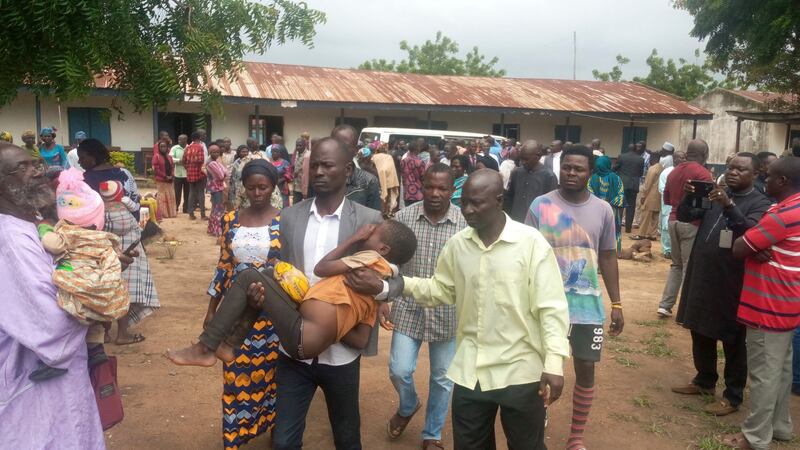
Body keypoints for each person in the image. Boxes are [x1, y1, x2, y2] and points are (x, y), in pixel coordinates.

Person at [404, 169, 570, 450]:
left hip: (521, 372)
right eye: (463, 201)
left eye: (476, 203)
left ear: (499, 200)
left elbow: (551, 308)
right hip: (472, 373)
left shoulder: (531, 244)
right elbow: (442, 290)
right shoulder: (458, 245)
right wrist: (397, 284)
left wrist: (554, 363)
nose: (467, 210)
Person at [252, 137, 400, 449]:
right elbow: (284, 272)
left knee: (347, 437)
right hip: (295, 349)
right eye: (313, 165)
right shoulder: (290, 216)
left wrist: (382, 289)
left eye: (327, 165)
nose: (318, 171)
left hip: (343, 354)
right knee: (284, 441)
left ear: (347, 170)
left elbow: (398, 278)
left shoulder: (369, 221)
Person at [169, 218, 415, 366]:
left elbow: (322, 267)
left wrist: (353, 238)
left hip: (303, 334)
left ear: (382, 248)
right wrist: (329, 322)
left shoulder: (369, 259)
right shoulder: (378, 284)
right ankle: (230, 345)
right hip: (306, 336)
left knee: (248, 277)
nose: (368, 233)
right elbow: (361, 339)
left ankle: (205, 348)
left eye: (373, 233)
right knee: (265, 277)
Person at [0, 142, 107, 449]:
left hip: (59, 383)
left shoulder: (31, 224)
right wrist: (99, 302)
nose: (37, 172)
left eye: (36, 164)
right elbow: (49, 327)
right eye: (23, 167)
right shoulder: (11, 242)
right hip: (32, 388)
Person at [526, 145, 624, 450]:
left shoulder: (603, 209)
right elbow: (525, 255)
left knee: (585, 368)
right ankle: (536, 426)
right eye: (566, 167)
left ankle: (576, 436)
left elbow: (608, 257)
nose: (571, 173)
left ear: (590, 173)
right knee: (539, 368)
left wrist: (617, 303)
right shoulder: (540, 206)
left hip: (587, 309)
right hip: (543, 307)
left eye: (578, 169)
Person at [671, 153, 771, 417]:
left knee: (732, 338)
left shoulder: (760, 202)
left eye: (741, 169)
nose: (733, 172)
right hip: (704, 274)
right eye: (730, 168)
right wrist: (689, 196)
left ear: (755, 174)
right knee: (700, 328)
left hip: (733, 281)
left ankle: (733, 395)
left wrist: (728, 205)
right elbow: (686, 215)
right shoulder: (716, 194)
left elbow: (751, 232)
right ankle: (704, 381)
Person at [380, 164, 466, 450]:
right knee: (399, 369)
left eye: (443, 188)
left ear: (453, 191)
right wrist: (383, 299)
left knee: (443, 378)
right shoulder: (404, 218)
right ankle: (408, 405)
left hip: (448, 312)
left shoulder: (465, 225)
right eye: (430, 186)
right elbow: (390, 264)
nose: (435, 193)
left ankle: (432, 434)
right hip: (409, 307)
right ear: (421, 185)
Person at [201, 159, 282, 449]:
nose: (257, 193)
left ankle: (275, 430)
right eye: (251, 188)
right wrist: (212, 310)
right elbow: (223, 266)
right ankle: (233, 438)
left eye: (263, 187)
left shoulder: (285, 220)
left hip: (271, 313)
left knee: (272, 377)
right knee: (234, 372)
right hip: (236, 311)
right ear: (243, 188)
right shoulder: (230, 219)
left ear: (273, 187)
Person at [721, 156, 800, 450]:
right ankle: (780, 427)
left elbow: (740, 248)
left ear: (782, 182)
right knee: (780, 370)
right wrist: (760, 247)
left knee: (764, 374)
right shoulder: (790, 208)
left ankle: (754, 438)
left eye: (768, 177)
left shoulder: (781, 216)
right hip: (788, 304)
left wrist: (755, 247)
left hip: (768, 304)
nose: (763, 180)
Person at [33, 168, 129, 380]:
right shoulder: (102, 237)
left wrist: (43, 230)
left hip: (74, 284)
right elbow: (111, 260)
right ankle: (96, 351)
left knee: (67, 317)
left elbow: (54, 245)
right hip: (95, 285)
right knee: (93, 320)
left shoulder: (66, 232)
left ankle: (55, 359)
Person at [79, 138, 160, 344]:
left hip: (99, 237)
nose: (80, 161)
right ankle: (121, 333)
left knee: (103, 284)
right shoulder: (122, 175)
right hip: (126, 236)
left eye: (83, 157)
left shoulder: (85, 180)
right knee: (124, 284)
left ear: (94, 155)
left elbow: (83, 211)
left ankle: (104, 332)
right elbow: (135, 201)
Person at [658, 140, 713, 317]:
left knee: (676, 265)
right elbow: (706, 205)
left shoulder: (674, 172)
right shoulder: (703, 174)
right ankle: (687, 310)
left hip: (672, 220)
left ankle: (665, 305)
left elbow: (666, 199)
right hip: (692, 224)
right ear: (705, 154)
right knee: (690, 267)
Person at [331, 124, 383, 211]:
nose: (338, 150)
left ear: (355, 150)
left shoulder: (369, 181)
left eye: (344, 147)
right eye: (335, 145)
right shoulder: (319, 176)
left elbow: (374, 220)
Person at [503, 140, 558, 223]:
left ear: (538, 156)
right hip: (515, 221)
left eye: (526, 159)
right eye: (521, 159)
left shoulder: (549, 177)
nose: (522, 162)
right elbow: (510, 197)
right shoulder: (516, 173)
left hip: (535, 223)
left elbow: (550, 206)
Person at [588, 155, 626, 254]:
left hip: (595, 211)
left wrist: (598, 203)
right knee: (613, 230)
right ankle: (613, 252)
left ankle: (596, 251)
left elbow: (588, 194)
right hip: (612, 210)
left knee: (596, 230)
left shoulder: (592, 179)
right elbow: (621, 195)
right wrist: (610, 204)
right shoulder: (617, 178)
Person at [631, 144, 666, 240]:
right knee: (655, 217)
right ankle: (652, 235)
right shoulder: (662, 168)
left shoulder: (652, 169)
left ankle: (641, 234)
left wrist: (643, 196)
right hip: (658, 196)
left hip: (650, 196)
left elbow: (647, 184)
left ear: (653, 158)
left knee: (645, 216)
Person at [614, 143, 645, 233]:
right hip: (633, 185)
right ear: (636, 149)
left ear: (628, 148)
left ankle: (618, 227)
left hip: (622, 184)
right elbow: (640, 173)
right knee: (631, 207)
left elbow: (616, 168)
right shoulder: (640, 159)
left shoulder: (622, 157)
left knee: (620, 206)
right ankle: (628, 228)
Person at [658, 151, 683, 258]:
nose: (683, 159)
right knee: (666, 227)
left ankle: (676, 250)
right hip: (668, 204)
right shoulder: (666, 172)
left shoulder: (685, 171)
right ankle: (667, 250)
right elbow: (662, 189)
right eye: (680, 157)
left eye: (684, 157)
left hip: (682, 205)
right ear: (675, 159)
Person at [371, 141, 400, 217]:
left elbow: (372, 167)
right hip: (389, 180)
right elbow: (391, 169)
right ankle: (387, 212)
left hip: (377, 179)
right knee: (388, 196)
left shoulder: (374, 157)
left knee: (380, 196)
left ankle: (381, 213)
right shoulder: (389, 157)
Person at [183, 130, 207, 220]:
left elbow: (183, 160)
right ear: (199, 138)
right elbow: (201, 160)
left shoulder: (187, 148)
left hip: (190, 174)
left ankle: (191, 214)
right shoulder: (200, 147)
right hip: (199, 174)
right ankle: (203, 215)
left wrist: (188, 168)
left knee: (191, 193)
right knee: (201, 193)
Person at [206, 143, 228, 236]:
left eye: (218, 152)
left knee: (215, 208)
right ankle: (217, 230)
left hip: (217, 187)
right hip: (216, 188)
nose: (216, 154)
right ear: (210, 152)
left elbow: (225, 172)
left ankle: (212, 229)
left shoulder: (215, 161)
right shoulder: (211, 163)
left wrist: (225, 173)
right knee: (218, 209)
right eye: (214, 152)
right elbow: (221, 175)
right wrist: (224, 174)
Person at [152, 140, 177, 219]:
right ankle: (163, 214)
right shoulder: (156, 156)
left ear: (167, 148)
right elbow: (156, 169)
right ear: (159, 148)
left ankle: (171, 213)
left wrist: (172, 175)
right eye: (161, 146)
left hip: (170, 180)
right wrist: (165, 176)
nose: (163, 148)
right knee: (162, 197)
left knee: (170, 196)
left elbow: (172, 167)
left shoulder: (169, 157)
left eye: (165, 146)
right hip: (161, 180)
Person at [401, 139, 427, 207]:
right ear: (417, 149)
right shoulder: (420, 162)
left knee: (408, 212)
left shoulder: (403, 161)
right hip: (418, 192)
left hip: (407, 192)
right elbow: (423, 177)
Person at [170, 134, 189, 214]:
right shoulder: (174, 148)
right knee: (177, 192)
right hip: (177, 173)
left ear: (186, 140)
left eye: (182, 139)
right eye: (179, 139)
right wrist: (178, 160)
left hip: (187, 174)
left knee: (187, 192)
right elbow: (170, 158)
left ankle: (186, 208)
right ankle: (176, 207)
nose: (180, 141)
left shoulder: (189, 148)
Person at [292, 137, 310, 204]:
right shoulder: (297, 154)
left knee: (306, 205)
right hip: (296, 185)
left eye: (300, 145)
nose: (298, 147)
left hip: (304, 186)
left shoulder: (308, 155)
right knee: (295, 205)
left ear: (305, 145)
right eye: (297, 145)